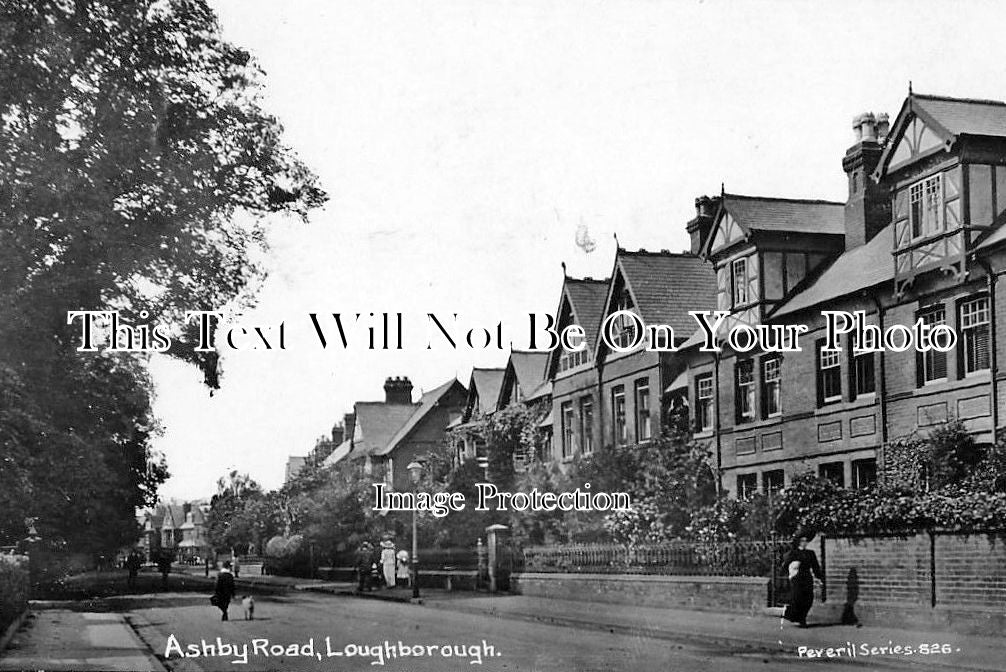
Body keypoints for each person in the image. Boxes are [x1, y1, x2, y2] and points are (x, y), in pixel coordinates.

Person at [782, 532, 823, 627]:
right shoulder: (793, 553)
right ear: (798, 542)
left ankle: (802, 617)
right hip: (797, 578)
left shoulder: (810, 553)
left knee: (808, 599)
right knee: (798, 598)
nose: (805, 543)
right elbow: (785, 566)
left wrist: (819, 577)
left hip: (807, 577)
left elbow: (815, 567)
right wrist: (790, 575)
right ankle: (799, 619)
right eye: (802, 541)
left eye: (806, 541)